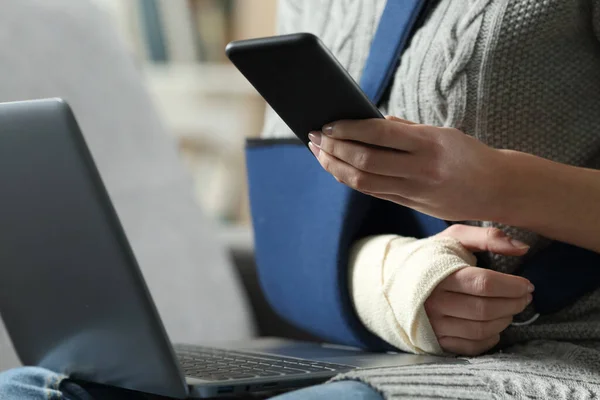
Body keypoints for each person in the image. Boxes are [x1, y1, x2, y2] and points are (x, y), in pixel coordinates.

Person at [3, 0, 600, 399]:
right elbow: (290, 225)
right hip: (368, 353)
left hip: (563, 356)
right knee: (27, 388)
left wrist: (497, 183)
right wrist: (393, 284)